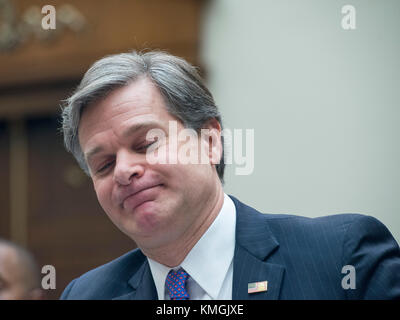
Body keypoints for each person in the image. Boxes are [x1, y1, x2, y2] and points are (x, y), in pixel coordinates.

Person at [60, 50, 400, 300]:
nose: (123, 171)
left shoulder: (342, 257)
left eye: (147, 143)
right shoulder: (86, 295)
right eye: (103, 165)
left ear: (210, 142)